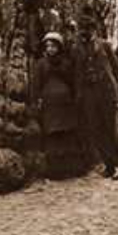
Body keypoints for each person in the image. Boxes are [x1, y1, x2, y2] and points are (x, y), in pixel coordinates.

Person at [75, 21, 118, 180]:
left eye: (87, 29)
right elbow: (78, 73)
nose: (84, 33)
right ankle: (110, 164)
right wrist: (79, 94)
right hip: (89, 93)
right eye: (82, 30)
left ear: (94, 30)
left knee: (108, 128)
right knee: (95, 129)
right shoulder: (78, 49)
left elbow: (116, 68)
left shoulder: (104, 46)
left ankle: (117, 165)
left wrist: (115, 90)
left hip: (105, 92)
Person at [33, 32, 88, 179]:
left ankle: (70, 168)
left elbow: (72, 81)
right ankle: (55, 171)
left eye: (53, 46)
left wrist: (74, 97)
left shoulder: (66, 63)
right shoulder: (41, 64)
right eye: (48, 46)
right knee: (53, 134)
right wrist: (38, 99)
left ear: (59, 47)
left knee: (66, 134)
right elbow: (37, 84)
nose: (50, 49)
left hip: (65, 104)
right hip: (49, 104)